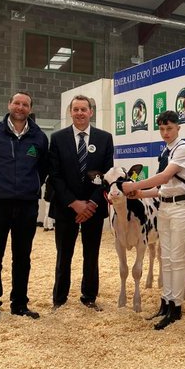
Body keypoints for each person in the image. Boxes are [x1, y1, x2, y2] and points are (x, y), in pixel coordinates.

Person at [0, 92, 49, 324]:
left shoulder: (39, 137)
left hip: (26, 206)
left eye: (25, 104)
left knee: (22, 257)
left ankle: (19, 304)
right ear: (9, 105)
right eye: (17, 103)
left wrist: (31, 187)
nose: (20, 107)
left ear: (30, 109)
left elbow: (44, 168)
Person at [121, 110, 185, 330]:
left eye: (169, 128)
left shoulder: (182, 149)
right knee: (166, 257)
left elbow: (165, 177)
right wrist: (141, 194)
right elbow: (162, 188)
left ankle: (176, 307)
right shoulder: (166, 151)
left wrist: (134, 185)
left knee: (175, 258)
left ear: (178, 128)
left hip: (182, 207)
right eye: (162, 129)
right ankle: (165, 302)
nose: (165, 132)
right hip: (165, 206)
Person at [48, 95, 114, 311]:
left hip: (93, 209)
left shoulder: (105, 138)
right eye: (75, 109)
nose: (79, 113)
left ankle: (89, 297)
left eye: (83, 109)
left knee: (91, 254)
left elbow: (107, 175)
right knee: (63, 255)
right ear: (70, 112)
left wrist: (92, 204)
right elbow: (55, 176)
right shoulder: (57, 138)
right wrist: (74, 203)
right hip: (66, 207)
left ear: (91, 112)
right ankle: (59, 299)